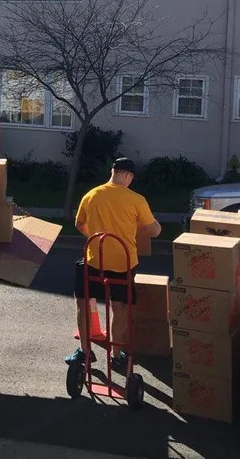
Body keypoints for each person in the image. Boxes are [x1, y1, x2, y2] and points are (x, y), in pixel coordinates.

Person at [65, 157, 161, 371]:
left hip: (94, 259)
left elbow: (79, 224)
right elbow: (154, 230)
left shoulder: (91, 195)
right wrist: (155, 226)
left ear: (112, 171)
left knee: (82, 302)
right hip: (123, 262)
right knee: (119, 308)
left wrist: (97, 239)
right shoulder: (136, 199)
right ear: (128, 176)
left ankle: (85, 351)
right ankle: (116, 355)